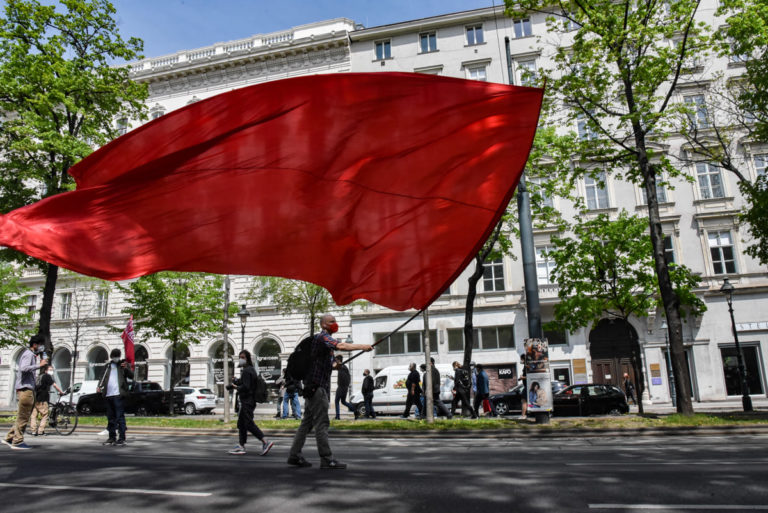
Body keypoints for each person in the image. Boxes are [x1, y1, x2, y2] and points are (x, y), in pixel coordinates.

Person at [287, 314, 372, 469]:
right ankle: (326, 459)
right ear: (324, 325)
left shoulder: (325, 345)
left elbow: (331, 365)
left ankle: (294, 455)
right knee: (322, 423)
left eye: (335, 321)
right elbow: (341, 346)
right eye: (331, 321)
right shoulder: (322, 338)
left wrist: (336, 365)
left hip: (314, 388)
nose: (335, 323)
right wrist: (363, 346)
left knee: (306, 424)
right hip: (317, 389)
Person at [3, 335, 47, 450]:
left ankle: (9, 437)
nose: (42, 347)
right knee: (24, 416)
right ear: (35, 345)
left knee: (22, 415)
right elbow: (23, 368)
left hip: (26, 388)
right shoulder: (28, 354)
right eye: (41, 345)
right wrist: (40, 365)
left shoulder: (30, 354)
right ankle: (17, 441)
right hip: (25, 389)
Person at [227, 350, 274, 456]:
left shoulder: (247, 370)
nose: (241, 359)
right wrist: (238, 381)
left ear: (247, 358)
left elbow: (246, 387)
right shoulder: (250, 370)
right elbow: (247, 383)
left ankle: (265, 441)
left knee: (248, 423)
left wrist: (235, 387)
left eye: (243, 357)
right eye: (240, 357)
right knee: (242, 424)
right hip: (249, 401)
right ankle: (241, 446)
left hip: (247, 401)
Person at [98, 348, 133, 446]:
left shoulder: (122, 365)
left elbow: (131, 376)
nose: (116, 358)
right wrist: (99, 386)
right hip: (108, 394)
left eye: (117, 356)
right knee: (111, 418)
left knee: (120, 417)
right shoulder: (108, 366)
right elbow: (102, 377)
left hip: (118, 394)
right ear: (111, 357)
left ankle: (122, 438)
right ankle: (111, 437)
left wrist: (126, 368)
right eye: (114, 356)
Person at [29, 364, 64, 436]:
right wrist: (61, 392)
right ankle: (40, 431)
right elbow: (54, 385)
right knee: (44, 415)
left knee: (33, 415)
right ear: (46, 370)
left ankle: (33, 431)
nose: (52, 371)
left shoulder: (39, 376)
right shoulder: (47, 376)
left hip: (35, 398)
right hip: (43, 399)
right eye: (50, 370)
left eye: (52, 370)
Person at [333, 355, 354, 420]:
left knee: (336, 401)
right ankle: (355, 410)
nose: (335, 362)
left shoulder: (342, 367)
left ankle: (337, 416)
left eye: (336, 360)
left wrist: (341, 385)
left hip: (341, 387)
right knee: (343, 401)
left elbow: (343, 378)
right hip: (345, 387)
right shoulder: (344, 367)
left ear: (339, 360)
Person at [519, 353, 528, 419]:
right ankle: (524, 414)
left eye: (521, 359)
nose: (520, 360)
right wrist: (521, 378)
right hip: (526, 386)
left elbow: (529, 376)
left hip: (527, 386)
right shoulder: (526, 365)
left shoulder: (527, 365)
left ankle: (523, 415)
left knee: (524, 400)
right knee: (524, 400)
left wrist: (522, 377)